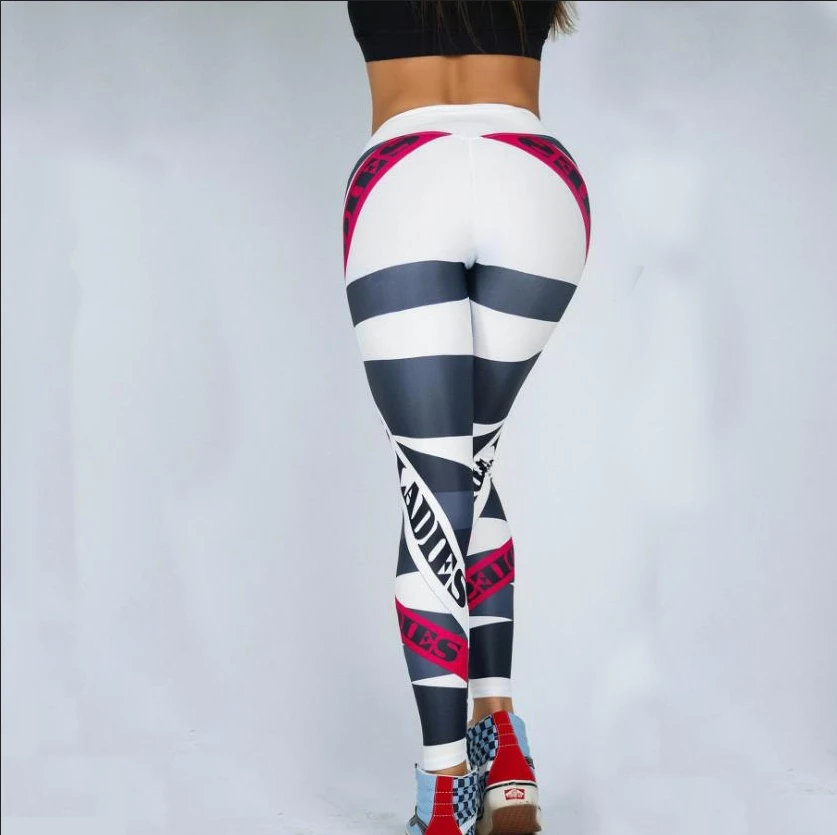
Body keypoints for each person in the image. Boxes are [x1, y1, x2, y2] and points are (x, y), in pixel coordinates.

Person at [343, 2, 590, 833]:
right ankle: (502, 747)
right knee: (470, 466)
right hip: (535, 177)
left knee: (433, 482)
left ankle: (443, 793)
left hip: (404, 177)